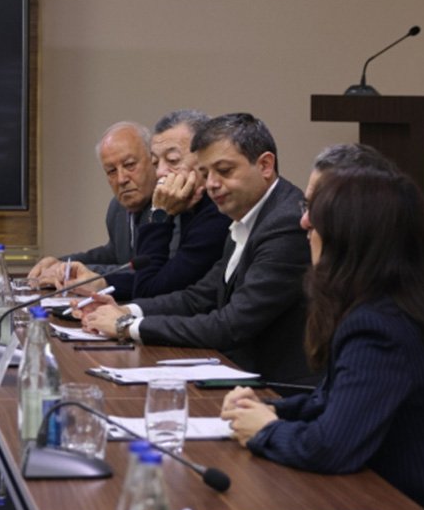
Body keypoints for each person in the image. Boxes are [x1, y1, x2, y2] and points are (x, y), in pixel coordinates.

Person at [222, 166, 424, 510]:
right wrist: (269, 410)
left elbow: (332, 447)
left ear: (353, 236)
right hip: (410, 501)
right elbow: (336, 402)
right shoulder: (414, 303)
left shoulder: (381, 325)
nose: (304, 223)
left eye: (318, 214)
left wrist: (265, 431)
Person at [81, 113, 314, 386]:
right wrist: (127, 311)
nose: (211, 183)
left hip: (278, 391)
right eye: (205, 173)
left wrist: (127, 326)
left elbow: (230, 324)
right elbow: (199, 297)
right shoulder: (246, 216)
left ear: (264, 165)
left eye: (224, 171)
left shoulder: (285, 223)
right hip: (239, 376)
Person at [47, 110, 230, 301]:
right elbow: (118, 255)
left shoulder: (208, 211)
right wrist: (62, 265)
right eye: (156, 162)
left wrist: (160, 213)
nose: (160, 173)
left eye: (173, 160)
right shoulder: (121, 209)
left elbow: (154, 284)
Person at [28, 121, 157, 284]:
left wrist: (74, 271)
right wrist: (60, 264)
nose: (121, 179)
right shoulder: (117, 207)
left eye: (129, 165)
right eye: (111, 171)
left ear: (154, 160)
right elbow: (113, 255)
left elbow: (152, 270)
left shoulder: (170, 204)